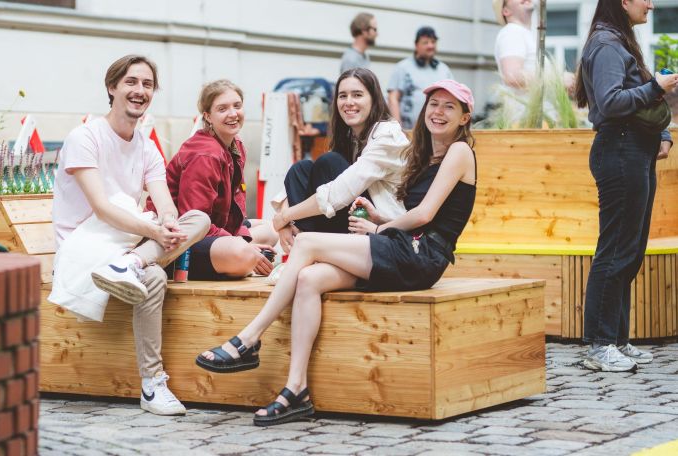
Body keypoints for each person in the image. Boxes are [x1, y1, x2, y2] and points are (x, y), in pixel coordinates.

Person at [195, 79, 477, 426]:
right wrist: (381, 217)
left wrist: (377, 229)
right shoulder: (424, 153)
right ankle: (296, 389)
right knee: (310, 279)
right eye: (434, 104)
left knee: (307, 242)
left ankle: (249, 338)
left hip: (422, 255)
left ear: (465, 118)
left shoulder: (460, 152)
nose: (438, 112)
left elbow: (425, 216)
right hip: (404, 246)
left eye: (450, 106)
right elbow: (413, 213)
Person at [50, 54, 210, 415]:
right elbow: (103, 208)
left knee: (196, 218)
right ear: (112, 87)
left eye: (147, 84)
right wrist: (153, 228)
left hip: (124, 245)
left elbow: (166, 204)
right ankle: (153, 384)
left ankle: (131, 263)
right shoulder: (85, 137)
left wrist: (167, 222)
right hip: (83, 247)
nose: (140, 91)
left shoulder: (147, 146)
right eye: (132, 82)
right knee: (153, 276)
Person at [575, 0, 678, 372]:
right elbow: (611, 102)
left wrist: (663, 133)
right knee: (616, 249)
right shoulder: (606, 44)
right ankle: (600, 345)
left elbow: (639, 105)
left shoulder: (620, 41)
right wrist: (655, 86)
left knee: (630, 251)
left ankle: (616, 339)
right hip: (619, 149)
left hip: (635, 150)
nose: (651, 3)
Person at [271, 67, 409, 254]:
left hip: (381, 230)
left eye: (357, 95)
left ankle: (308, 245)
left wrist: (286, 216)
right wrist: (285, 222)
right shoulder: (350, 136)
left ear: (374, 99)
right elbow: (294, 188)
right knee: (301, 169)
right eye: (343, 96)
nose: (349, 102)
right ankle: (306, 242)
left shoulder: (388, 135)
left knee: (329, 162)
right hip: (349, 218)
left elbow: (339, 192)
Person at [154, 79, 279, 279]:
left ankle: (238, 257)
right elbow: (194, 220)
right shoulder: (205, 154)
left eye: (237, 106)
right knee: (244, 254)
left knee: (270, 230)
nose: (233, 114)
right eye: (222, 109)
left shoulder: (235, 144)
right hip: (179, 243)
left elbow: (233, 210)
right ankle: (237, 261)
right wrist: (241, 245)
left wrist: (242, 239)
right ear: (208, 116)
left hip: (214, 229)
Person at [387, 26, 454, 129]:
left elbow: (453, 99)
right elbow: (393, 98)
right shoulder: (402, 67)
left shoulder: (444, 70)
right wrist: (397, 128)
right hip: (408, 131)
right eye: (426, 42)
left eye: (433, 42)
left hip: (437, 131)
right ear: (416, 45)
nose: (430, 45)